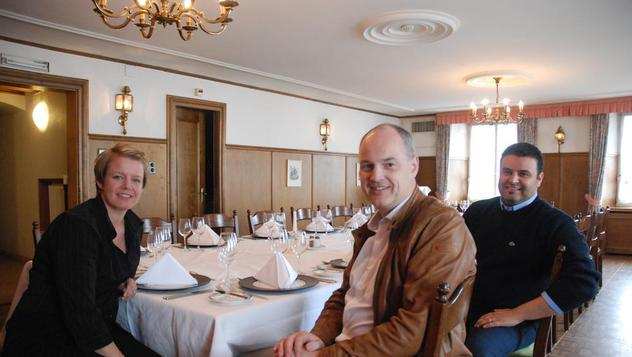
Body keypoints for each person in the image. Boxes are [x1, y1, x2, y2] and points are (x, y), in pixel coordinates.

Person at [274, 124, 477, 356]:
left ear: (413, 166)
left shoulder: (441, 226)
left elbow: (412, 332)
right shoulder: (375, 226)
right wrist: (318, 336)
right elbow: (347, 294)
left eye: (389, 164)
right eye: (367, 166)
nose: (375, 176)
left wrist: (324, 355)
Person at [3, 144, 160, 357]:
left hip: (96, 328)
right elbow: (80, 311)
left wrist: (128, 279)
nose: (127, 186)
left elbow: (115, 265)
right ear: (99, 181)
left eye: (136, 180)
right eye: (117, 177)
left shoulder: (133, 225)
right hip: (48, 335)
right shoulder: (76, 227)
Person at [463, 142, 600, 357]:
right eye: (507, 171)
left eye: (523, 174)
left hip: (519, 321)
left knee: (477, 350)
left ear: (539, 179)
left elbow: (585, 282)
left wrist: (517, 314)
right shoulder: (477, 212)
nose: (513, 179)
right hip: (466, 308)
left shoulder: (556, 223)